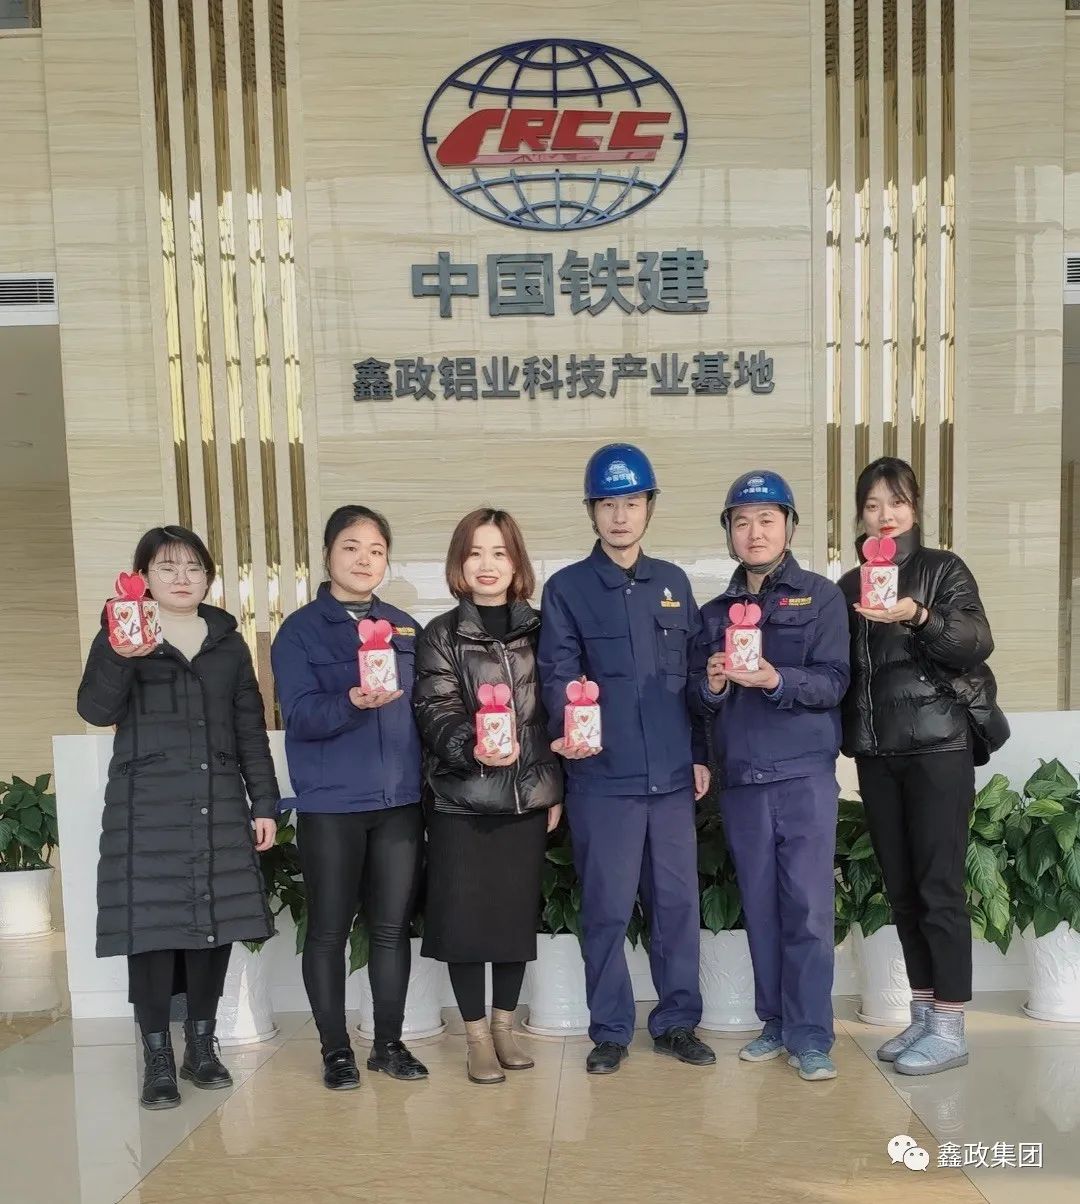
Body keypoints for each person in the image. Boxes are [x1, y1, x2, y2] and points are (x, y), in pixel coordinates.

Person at [77, 525, 278, 1111]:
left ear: (208, 578)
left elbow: (249, 729)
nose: (182, 577)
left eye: (193, 567)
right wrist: (120, 655)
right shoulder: (121, 630)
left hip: (217, 801)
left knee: (213, 928)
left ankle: (201, 1047)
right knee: (151, 934)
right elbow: (95, 709)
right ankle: (158, 1056)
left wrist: (264, 803)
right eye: (167, 567)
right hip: (146, 808)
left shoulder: (227, 642)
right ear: (143, 577)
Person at [537, 444, 715, 1075]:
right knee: (607, 909)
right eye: (608, 504)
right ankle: (610, 1030)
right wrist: (569, 728)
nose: (620, 516)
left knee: (677, 909)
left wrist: (699, 754)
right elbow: (557, 675)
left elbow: (693, 676)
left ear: (649, 508)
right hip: (602, 780)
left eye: (632, 503)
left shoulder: (673, 583)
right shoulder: (567, 589)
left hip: (670, 779)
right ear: (592, 511)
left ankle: (676, 1023)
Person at [839, 457, 1007, 1076]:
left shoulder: (943, 569)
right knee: (903, 889)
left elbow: (976, 641)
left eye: (897, 502)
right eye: (873, 504)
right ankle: (924, 1013)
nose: (885, 515)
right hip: (878, 753)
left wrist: (919, 615)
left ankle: (952, 1025)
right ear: (860, 515)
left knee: (939, 887)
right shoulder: (848, 585)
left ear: (915, 508)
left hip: (939, 748)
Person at [691, 472, 850, 1083]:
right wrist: (711, 685)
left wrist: (776, 679)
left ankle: (811, 1036)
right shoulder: (712, 615)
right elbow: (696, 705)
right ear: (728, 533)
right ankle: (776, 1022)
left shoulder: (821, 598)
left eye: (766, 520)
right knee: (759, 906)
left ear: (789, 527)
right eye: (741, 522)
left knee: (807, 910)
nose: (753, 532)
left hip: (804, 776)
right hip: (742, 781)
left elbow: (834, 681)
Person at [271, 506, 426, 1089]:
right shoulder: (300, 631)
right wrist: (351, 702)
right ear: (328, 554)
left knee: (391, 930)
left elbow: (426, 710)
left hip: (398, 803)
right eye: (351, 547)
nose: (364, 560)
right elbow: (299, 715)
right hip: (332, 804)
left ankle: (388, 1044)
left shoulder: (405, 629)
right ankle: (336, 1051)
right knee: (329, 931)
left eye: (376, 550)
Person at [413, 508, 562, 1085]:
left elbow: (556, 711)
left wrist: (553, 785)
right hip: (462, 800)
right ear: (459, 561)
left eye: (499, 552)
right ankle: (476, 1037)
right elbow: (435, 708)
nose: (487, 564)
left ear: (517, 562)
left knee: (512, 920)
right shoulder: (440, 634)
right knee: (465, 922)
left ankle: (504, 1027)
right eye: (475, 552)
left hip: (526, 799)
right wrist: (471, 746)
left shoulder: (544, 629)